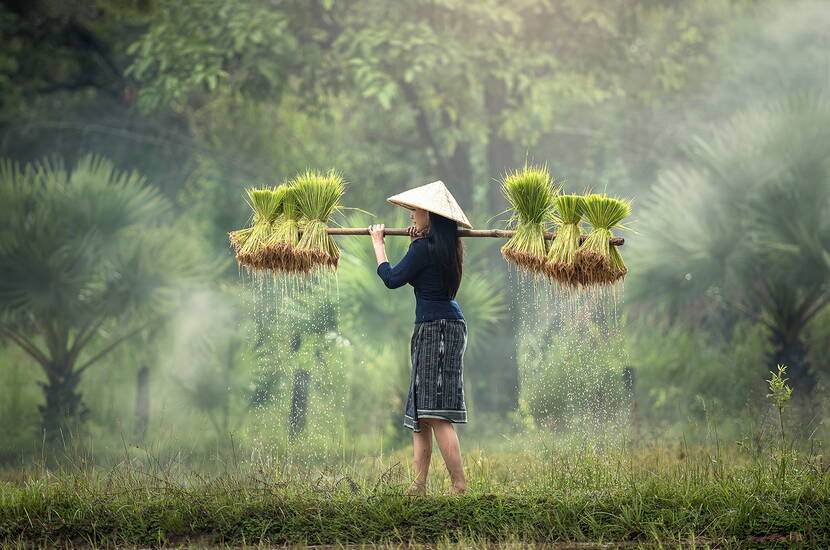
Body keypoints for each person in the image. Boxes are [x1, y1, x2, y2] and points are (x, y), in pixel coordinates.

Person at [367, 180, 473, 497]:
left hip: (437, 327)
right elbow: (422, 265)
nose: (411, 215)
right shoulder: (445, 247)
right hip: (441, 325)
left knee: (434, 413)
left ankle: (459, 485)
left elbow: (392, 278)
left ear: (429, 215)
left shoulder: (424, 249)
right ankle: (419, 486)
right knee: (421, 412)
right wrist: (417, 242)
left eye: (415, 210)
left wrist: (378, 243)